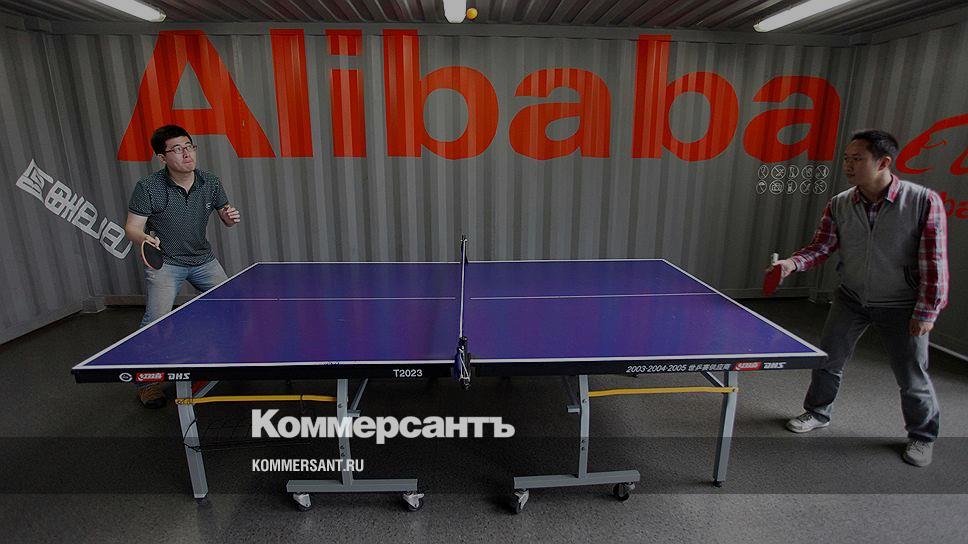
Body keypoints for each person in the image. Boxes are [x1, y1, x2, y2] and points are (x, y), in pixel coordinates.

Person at [774, 129, 948, 467]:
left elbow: (934, 263)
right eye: (847, 159)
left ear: (883, 162)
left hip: (902, 303)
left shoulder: (923, 202)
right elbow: (821, 246)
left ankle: (922, 436)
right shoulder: (840, 202)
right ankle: (818, 412)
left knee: (912, 376)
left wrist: (927, 311)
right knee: (828, 360)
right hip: (851, 297)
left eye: (858, 159)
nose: (849, 165)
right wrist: (792, 263)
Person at [124, 125, 242, 408]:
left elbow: (225, 216)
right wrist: (145, 238)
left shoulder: (210, 181)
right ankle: (147, 384)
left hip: (203, 260)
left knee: (232, 306)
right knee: (156, 321)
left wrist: (229, 217)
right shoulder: (148, 187)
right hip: (167, 263)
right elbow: (132, 228)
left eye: (189, 146)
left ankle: (220, 362)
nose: (186, 153)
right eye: (177, 149)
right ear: (162, 157)